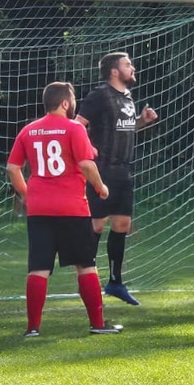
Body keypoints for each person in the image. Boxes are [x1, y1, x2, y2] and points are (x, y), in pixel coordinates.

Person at [7, 82, 123, 337]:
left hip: (39, 210)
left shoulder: (28, 130)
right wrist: (101, 188)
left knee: (39, 268)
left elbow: (13, 168)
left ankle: (33, 328)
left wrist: (27, 194)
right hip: (72, 208)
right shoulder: (74, 128)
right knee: (85, 265)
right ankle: (97, 323)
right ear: (66, 103)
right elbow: (86, 165)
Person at [76, 52, 158, 306]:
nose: (132, 67)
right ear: (114, 71)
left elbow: (124, 127)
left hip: (124, 171)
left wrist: (142, 122)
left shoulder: (127, 98)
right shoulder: (99, 95)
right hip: (102, 170)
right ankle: (85, 279)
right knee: (97, 226)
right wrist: (87, 150)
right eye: (127, 64)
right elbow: (78, 125)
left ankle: (115, 282)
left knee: (121, 225)